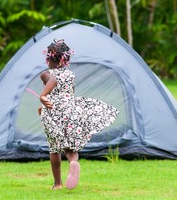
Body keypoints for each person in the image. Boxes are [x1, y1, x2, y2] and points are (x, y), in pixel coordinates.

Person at [37, 39, 119, 190]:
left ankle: (57, 184)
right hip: (71, 112)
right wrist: (44, 103)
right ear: (65, 59)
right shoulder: (70, 75)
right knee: (71, 149)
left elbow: (52, 82)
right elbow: (69, 94)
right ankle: (73, 163)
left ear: (48, 58)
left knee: (54, 148)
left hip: (54, 114)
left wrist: (42, 97)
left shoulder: (46, 74)